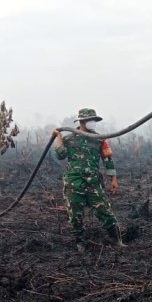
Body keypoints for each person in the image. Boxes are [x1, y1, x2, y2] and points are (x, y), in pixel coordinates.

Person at [53, 108, 124, 252]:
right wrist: (58, 137)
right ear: (82, 121)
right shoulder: (69, 139)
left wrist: (113, 180)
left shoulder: (99, 139)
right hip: (74, 182)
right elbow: (60, 155)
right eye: (92, 120)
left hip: (93, 182)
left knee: (105, 210)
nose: (94, 123)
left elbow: (107, 159)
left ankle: (116, 240)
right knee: (75, 214)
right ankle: (80, 243)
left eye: (95, 120)